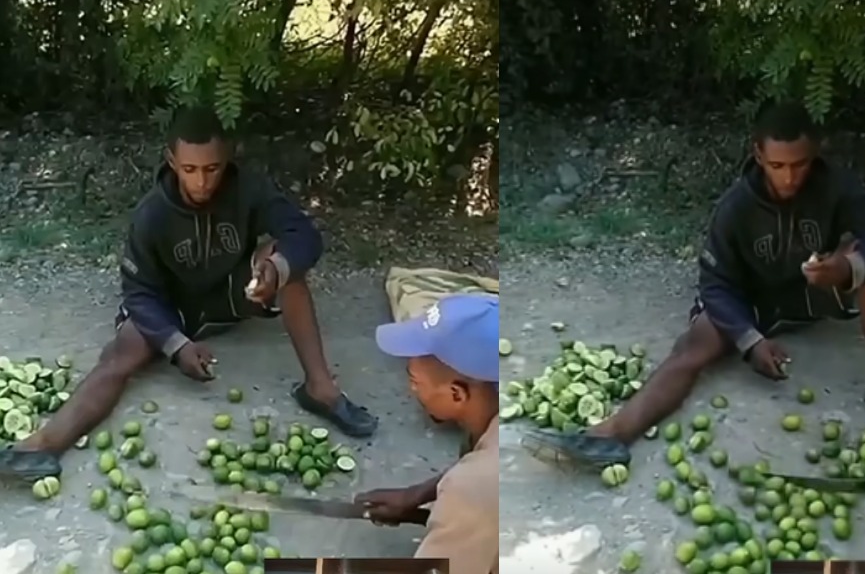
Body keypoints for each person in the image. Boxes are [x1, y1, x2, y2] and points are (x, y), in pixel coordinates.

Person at [522, 101, 865, 470]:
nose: (789, 177)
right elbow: (714, 284)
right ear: (758, 155)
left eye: (800, 164)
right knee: (698, 342)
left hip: (811, 293)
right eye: (778, 165)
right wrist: (750, 341)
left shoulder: (836, 187)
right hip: (752, 304)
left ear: (815, 155)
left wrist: (847, 267)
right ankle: (613, 434)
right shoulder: (737, 205)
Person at [0, 106, 377, 481]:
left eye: (211, 169)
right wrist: (176, 345)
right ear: (172, 161)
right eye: (190, 169)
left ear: (226, 159)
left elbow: (305, 236)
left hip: (231, 294)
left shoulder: (249, 189)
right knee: (122, 352)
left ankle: (320, 388)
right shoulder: (152, 215)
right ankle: (42, 446)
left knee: (284, 260)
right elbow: (138, 294)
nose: (201, 182)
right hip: (171, 310)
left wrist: (275, 270)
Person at [354, 294, 498, 574]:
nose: (412, 391)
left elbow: (478, 486)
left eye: (414, 381)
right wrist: (416, 495)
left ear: (456, 394)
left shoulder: (473, 488)